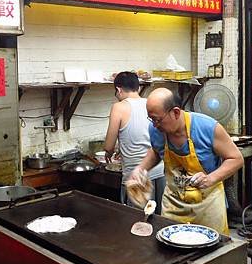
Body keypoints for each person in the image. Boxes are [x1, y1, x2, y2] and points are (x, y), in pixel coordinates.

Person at [130, 87, 244, 235]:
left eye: (158, 120)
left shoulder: (207, 127)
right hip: (174, 204)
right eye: (151, 119)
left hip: (207, 206)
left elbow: (236, 158)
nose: (155, 125)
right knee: (170, 249)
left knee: (210, 252)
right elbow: (156, 151)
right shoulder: (157, 130)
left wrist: (210, 178)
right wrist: (141, 169)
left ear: (176, 112)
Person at [104, 72, 165, 214]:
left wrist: (109, 152)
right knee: (160, 219)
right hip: (159, 171)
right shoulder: (150, 103)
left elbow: (108, 146)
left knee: (137, 222)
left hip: (135, 176)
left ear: (118, 90)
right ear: (138, 87)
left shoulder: (118, 107)